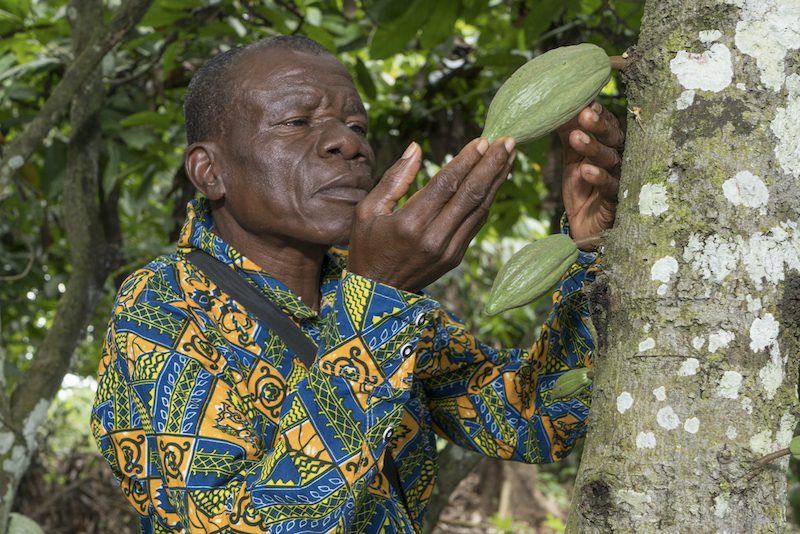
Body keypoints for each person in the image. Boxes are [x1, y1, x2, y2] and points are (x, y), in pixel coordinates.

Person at [91, 35, 623, 533]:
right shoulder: (162, 306)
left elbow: (537, 415)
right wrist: (380, 298)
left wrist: (589, 250)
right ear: (210, 172)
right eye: (298, 121)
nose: (347, 144)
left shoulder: (358, 289)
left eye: (358, 128)